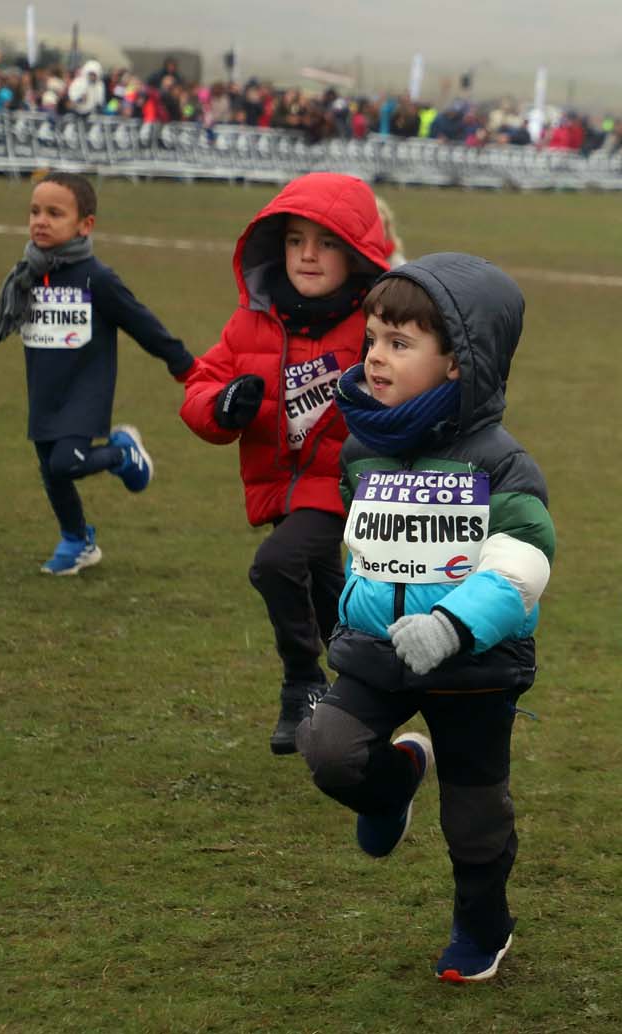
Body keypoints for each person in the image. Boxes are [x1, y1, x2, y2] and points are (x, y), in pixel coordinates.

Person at [296, 254, 553, 984]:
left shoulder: (501, 464)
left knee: (475, 816)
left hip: (473, 666)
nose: (375, 356)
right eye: (373, 338)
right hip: (377, 653)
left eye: (400, 343)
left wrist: (452, 623)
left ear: (456, 365)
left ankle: (483, 924)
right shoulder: (363, 447)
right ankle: (394, 779)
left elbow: (525, 559)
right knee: (326, 744)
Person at [180, 173, 393, 754]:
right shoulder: (252, 319)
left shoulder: (373, 324)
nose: (308, 254)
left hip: (343, 485)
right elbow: (200, 388)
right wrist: (222, 407)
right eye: (296, 239)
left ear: (355, 252)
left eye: (326, 242)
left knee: (275, 565)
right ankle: (365, 696)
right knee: (336, 608)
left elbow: (414, 380)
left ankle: (302, 681)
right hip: (279, 487)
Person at [0, 172, 194, 575]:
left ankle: (120, 452)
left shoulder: (98, 279)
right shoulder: (26, 277)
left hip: (84, 392)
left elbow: (141, 321)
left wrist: (182, 363)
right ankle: (77, 541)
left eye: (55, 213)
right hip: (44, 391)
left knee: (65, 464)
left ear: (84, 225)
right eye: (35, 211)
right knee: (51, 473)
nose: (41, 220)